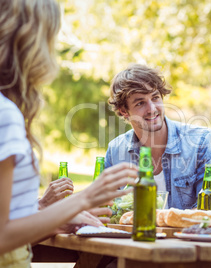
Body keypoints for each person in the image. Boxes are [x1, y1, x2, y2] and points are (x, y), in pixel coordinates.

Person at [0, 0, 137, 265]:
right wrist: (83, 198)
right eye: (52, 38)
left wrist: (54, 222)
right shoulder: (5, 115)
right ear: (31, 41)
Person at [105, 64, 211, 209]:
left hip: (185, 232)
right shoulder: (115, 150)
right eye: (140, 103)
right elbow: (106, 209)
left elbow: (207, 210)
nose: (152, 109)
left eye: (155, 98)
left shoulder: (202, 142)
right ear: (124, 111)